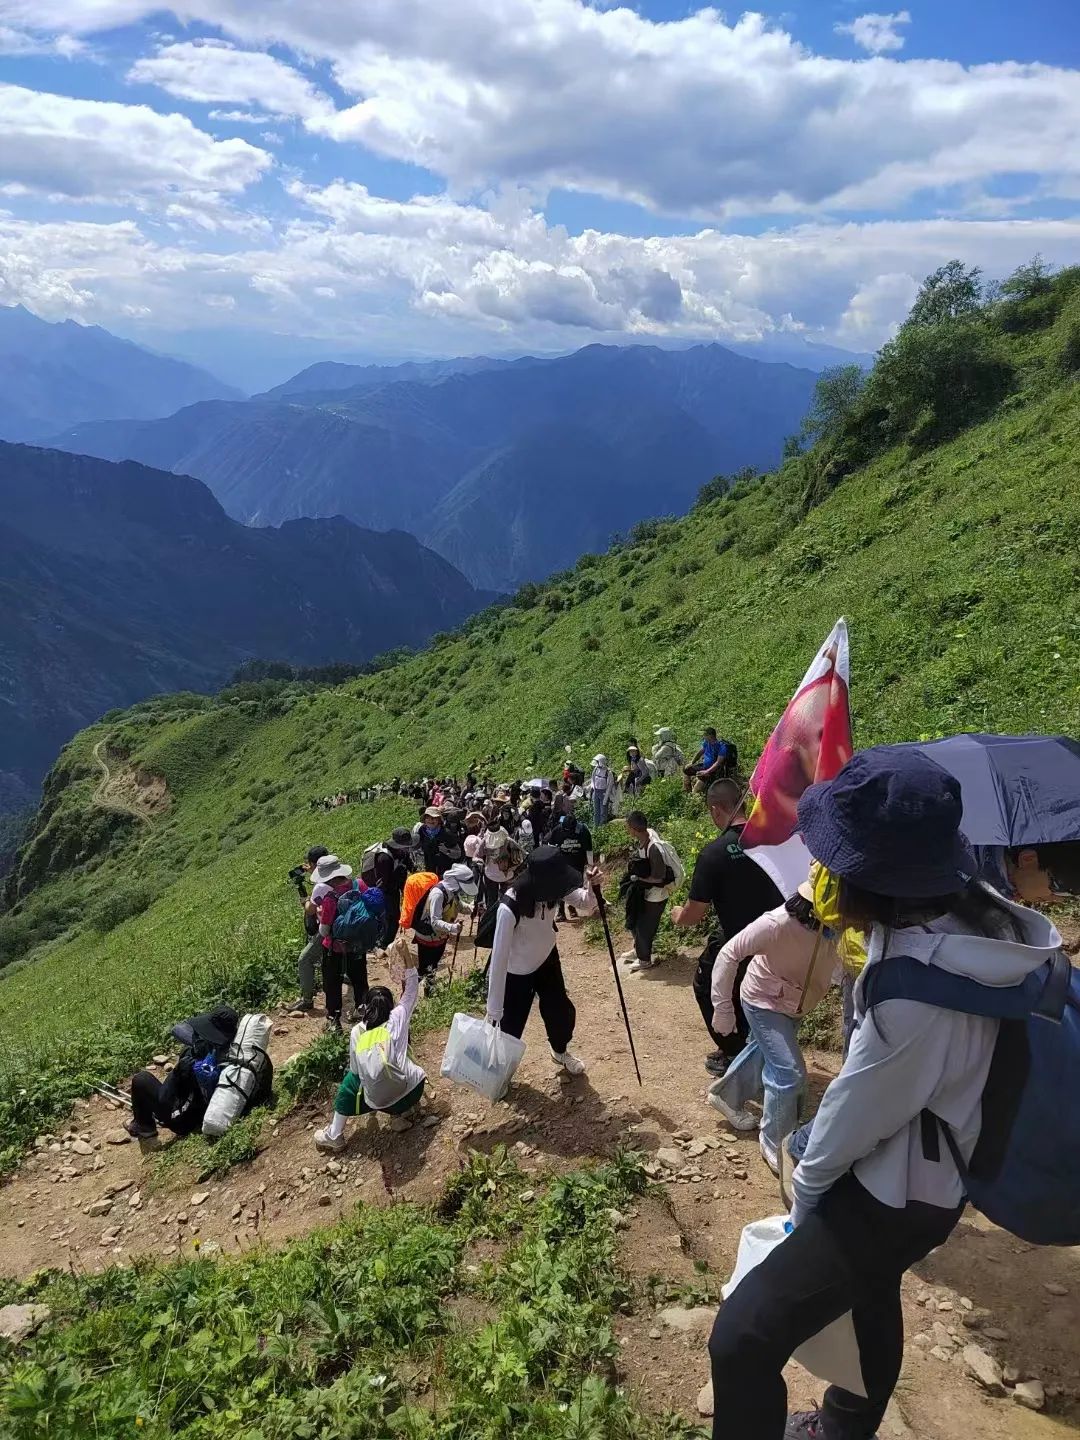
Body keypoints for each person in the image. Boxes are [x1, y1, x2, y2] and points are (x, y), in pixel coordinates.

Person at [707, 745, 1062, 1440]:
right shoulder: (978, 921)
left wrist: (804, 1197)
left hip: (892, 1194)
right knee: (871, 1292)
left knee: (741, 1339)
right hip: (938, 1176)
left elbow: (852, 1117)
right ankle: (843, 1427)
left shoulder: (911, 990)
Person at [707, 879, 837, 1172]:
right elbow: (730, 953)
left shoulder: (832, 932)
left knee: (764, 1052)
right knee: (790, 1073)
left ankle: (725, 1095)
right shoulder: (777, 924)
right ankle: (775, 1140)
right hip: (764, 1001)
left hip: (796, 1006)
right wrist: (723, 1007)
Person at [671, 778, 782, 1077]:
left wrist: (678, 915)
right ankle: (760, 1047)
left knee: (708, 986)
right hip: (778, 938)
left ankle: (733, 1051)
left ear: (716, 809)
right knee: (762, 998)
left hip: (739, 942)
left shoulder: (714, 853)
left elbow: (694, 913)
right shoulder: (773, 839)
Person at [485, 846, 600, 1077]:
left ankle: (560, 1051)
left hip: (547, 958)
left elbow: (587, 903)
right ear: (541, 884)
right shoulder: (510, 907)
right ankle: (501, 1072)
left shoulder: (553, 888)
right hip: (517, 973)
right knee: (510, 1027)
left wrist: (592, 884)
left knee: (560, 1011)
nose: (562, 889)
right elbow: (498, 961)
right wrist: (494, 1010)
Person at [314, 947, 427, 1152]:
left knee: (350, 1080)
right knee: (404, 1057)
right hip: (412, 1092)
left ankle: (335, 1134)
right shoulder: (398, 1018)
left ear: (366, 1007)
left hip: (379, 1103)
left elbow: (357, 1072)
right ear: (391, 1006)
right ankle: (404, 1113)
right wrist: (407, 956)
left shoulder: (358, 1031)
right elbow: (411, 989)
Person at [127, 1006, 240, 1140]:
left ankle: (143, 1126)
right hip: (205, 1109)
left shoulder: (194, 1064)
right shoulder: (230, 1052)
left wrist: (176, 1073)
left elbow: (163, 1097)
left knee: (141, 1079)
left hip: (183, 1121)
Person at [314, 855, 372, 1030]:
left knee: (332, 983)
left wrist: (319, 914)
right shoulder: (359, 885)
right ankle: (364, 1011)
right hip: (358, 944)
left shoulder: (331, 898)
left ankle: (334, 1020)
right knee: (360, 978)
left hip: (335, 948)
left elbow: (324, 931)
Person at [620, 811, 676, 971]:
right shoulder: (645, 836)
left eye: (627, 827)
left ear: (633, 828)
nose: (627, 829)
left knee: (644, 926)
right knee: (634, 920)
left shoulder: (653, 849)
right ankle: (639, 950)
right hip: (646, 891)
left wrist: (638, 879)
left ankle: (644, 960)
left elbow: (659, 878)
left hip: (656, 894)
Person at [410, 862, 476, 991]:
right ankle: (410, 992)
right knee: (425, 968)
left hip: (440, 936)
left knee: (433, 965)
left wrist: (472, 909)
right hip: (428, 936)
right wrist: (452, 928)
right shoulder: (438, 894)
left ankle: (429, 990)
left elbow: (459, 906)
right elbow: (435, 921)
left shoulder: (452, 891)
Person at [291, 844, 329, 1012]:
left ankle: (307, 1000)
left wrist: (305, 899)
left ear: (315, 864)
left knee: (304, 959)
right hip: (339, 922)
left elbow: (310, 910)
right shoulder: (336, 874)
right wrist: (311, 870)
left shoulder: (320, 885)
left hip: (327, 926)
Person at [546, 807, 593, 921]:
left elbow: (589, 850)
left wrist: (591, 865)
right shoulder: (558, 830)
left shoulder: (582, 831)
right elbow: (550, 846)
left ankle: (573, 908)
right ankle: (561, 911)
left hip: (577, 864)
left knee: (576, 887)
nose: (566, 831)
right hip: (562, 865)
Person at [369, 828, 414, 945]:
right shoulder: (384, 858)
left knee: (394, 916)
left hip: (397, 886)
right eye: (404, 846)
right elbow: (383, 882)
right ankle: (385, 943)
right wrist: (397, 873)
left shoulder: (403, 852)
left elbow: (411, 867)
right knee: (392, 917)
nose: (407, 848)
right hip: (387, 891)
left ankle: (387, 940)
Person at [480, 813, 521, 913]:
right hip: (506, 875)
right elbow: (521, 856)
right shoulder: (509, 840)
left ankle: (491, 921)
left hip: (492, 874)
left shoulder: (486, 839)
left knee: (492, 900)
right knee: (506, 899)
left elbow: (478, 854)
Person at [683, 727, 733, 792]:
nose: (703, 736)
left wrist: (706, 772)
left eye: (705, 735)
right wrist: (692, 762)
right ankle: (687, 791)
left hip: (713, 771)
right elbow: (700, 752)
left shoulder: (722, 747)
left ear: (710, 735)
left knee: (696, 789)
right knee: (686, 770)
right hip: (704, 766)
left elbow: (718, 763)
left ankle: (695, 795)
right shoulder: (706, 743)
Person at [412, 807, 445, 875]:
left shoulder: (444, 832)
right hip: (428, 858)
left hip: (442, 861)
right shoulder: (422, 829)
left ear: (439, 820)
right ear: (424, 819)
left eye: (433, 818)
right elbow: (420, 843)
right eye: (428, 818)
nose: (430, 820)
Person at [589, 754, 618, 831]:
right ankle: (596, 828)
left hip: (604, 793)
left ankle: (602, 829)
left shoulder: (609, 773)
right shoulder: (595, 769)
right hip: (596, 792)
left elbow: (609, 787)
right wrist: (592, 789)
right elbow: (592, 780)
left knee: (603, 812)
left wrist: (605, 798)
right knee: (596, 811)